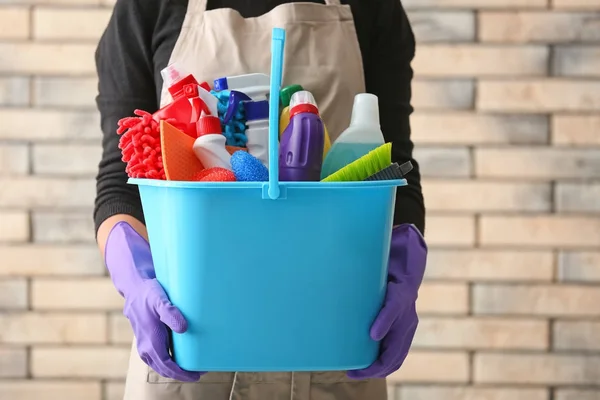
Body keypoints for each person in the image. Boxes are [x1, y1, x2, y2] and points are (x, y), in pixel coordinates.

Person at [94, 0, 427, 399]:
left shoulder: (372, 7)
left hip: (336, 340)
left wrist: (402, 267)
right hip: (188, 346)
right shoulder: (149, 6)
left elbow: (395, 167)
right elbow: (120, 178)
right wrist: (134, 273)